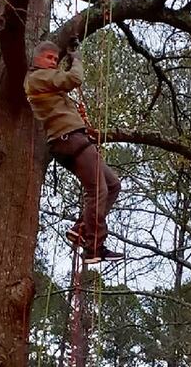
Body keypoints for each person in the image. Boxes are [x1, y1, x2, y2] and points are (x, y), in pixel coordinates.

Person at [24, 39, 124, 264]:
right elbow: (74, 79)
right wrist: (76, 60)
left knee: (113, 185)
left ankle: (82, 229)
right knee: (97, 190)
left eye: (55, 59)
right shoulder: (37, 77)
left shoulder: (46, 82)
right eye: (49, 58)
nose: (53, 62)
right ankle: (93, 247)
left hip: (72, 138)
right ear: (36, 59)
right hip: (68, 139)